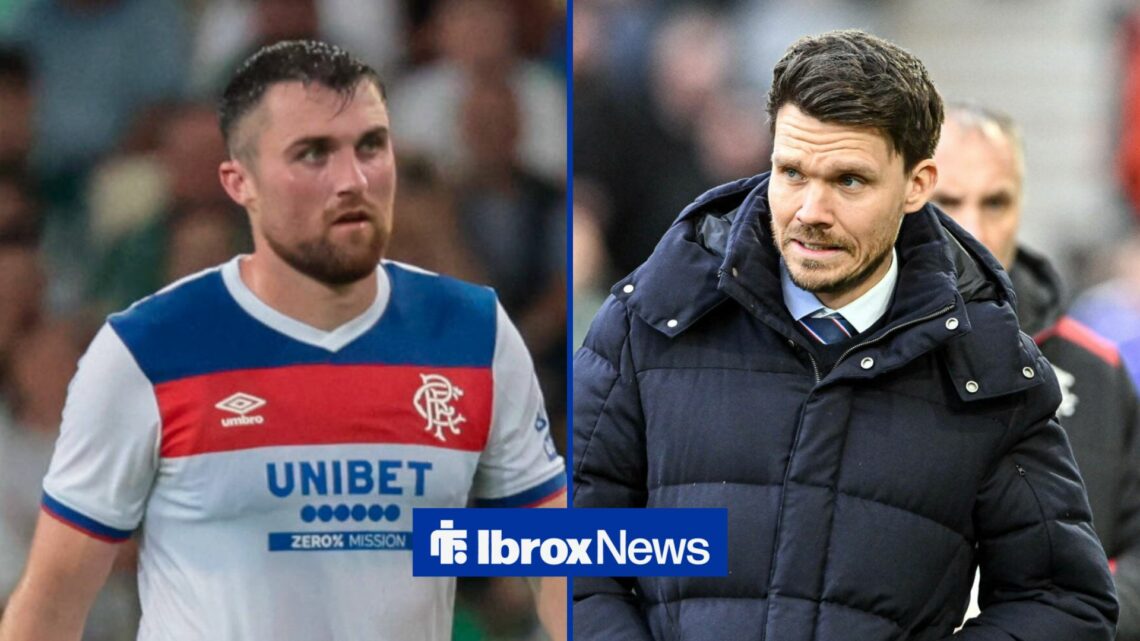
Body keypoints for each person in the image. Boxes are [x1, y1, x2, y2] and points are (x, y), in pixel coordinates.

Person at [0, 40, 567, 641]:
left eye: (371, 146)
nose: (352, 179)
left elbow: (554, 564)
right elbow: (50, 607)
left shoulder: (473, 333)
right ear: (239, 182)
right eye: (313, 154)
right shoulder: (146, 351)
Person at [572, 29, 1116, 640]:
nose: (810, 211)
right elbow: (579, 564)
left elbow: (1062, 602)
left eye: (849, 181)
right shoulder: (646, 321)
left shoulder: (989, 366)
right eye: (792, 172)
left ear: (917, 185)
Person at [932, 102, 1140, 639]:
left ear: (1021, 206)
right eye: (949, 202)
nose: (973, 228)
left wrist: (1066, 608)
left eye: (996, 202)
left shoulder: (1097, 371)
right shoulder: (848, 356)